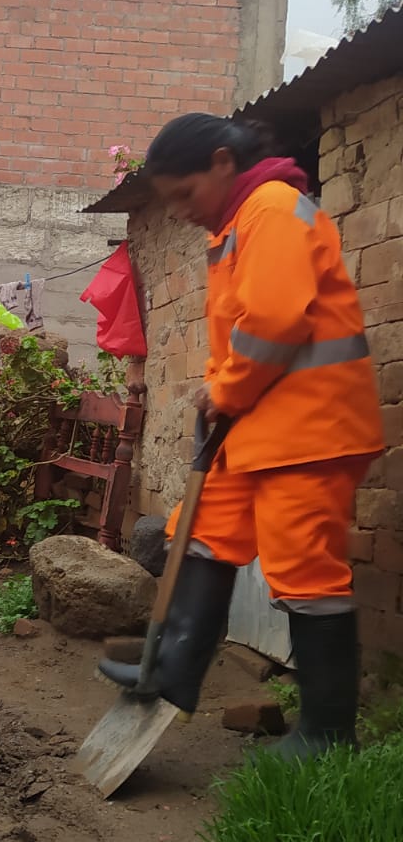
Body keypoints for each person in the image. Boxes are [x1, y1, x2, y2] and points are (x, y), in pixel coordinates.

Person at [98, 113, 384, 761]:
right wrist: (222, 395)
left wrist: (222, 390)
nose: (180, 212)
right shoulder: (236, 224)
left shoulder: (274, 210)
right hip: (257, 425)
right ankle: (173, 669)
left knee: (303, 569)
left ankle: (328, 732)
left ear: (223, 162)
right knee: (202, 531)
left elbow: (274, 321)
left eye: (184, 194)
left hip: (310, 428)